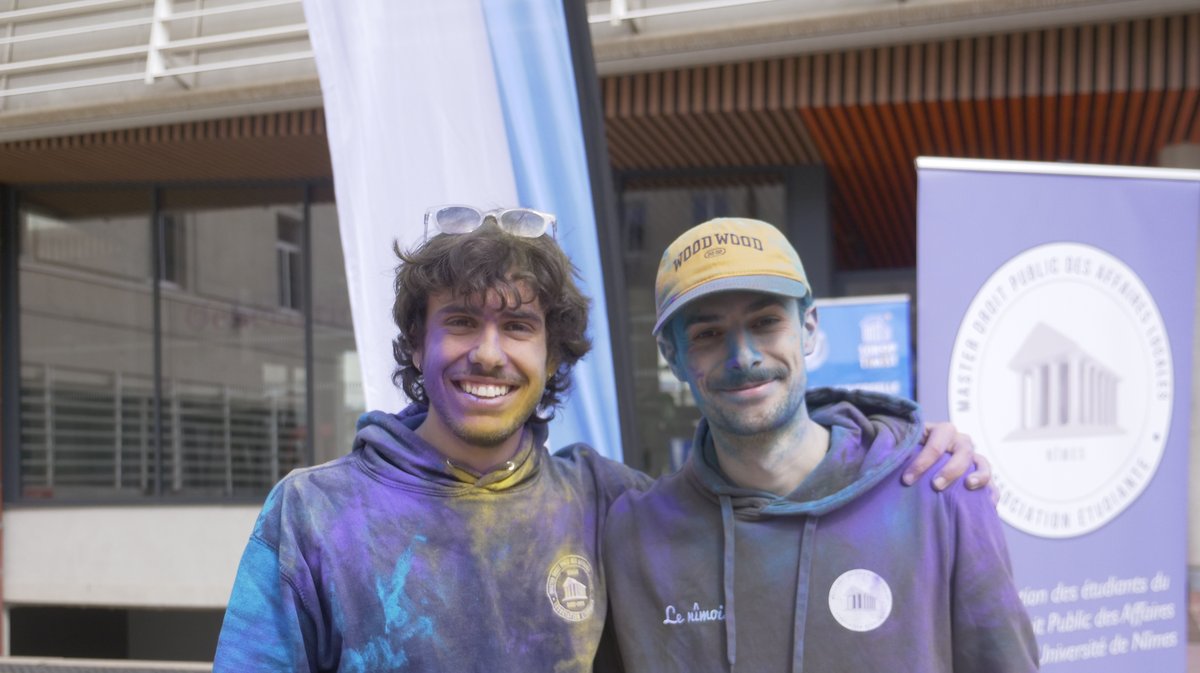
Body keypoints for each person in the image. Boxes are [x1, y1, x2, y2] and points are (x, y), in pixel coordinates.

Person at [213, 206, 990, 672]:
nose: (489, 351)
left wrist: (898, 439)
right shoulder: (313, 515)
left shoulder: (607, 501)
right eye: (460, 321)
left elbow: (761, 477)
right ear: (417, 345)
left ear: (551, 354)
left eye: (517, 325)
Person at [602, 217, 1038, 672]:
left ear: (808, 328)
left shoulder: (938, 495)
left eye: (766, 321)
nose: (743, 355)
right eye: (707, 334)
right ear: (672, 356)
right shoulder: (634, 536)